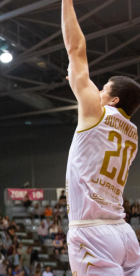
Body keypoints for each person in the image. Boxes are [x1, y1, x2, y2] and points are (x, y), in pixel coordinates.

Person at [62, 0, 140, 274]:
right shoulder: (132, 134)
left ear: (113, 99)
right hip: (124, 233)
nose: (98, 91)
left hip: (93, 234)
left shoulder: (97, 113)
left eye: (103, 89)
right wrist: (76, 80)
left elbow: (76, 49)